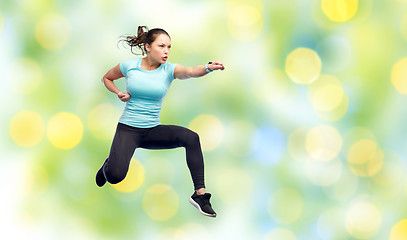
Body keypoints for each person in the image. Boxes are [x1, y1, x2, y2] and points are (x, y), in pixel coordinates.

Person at [95, 26, 225, 218]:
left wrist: (208, 67)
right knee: (115, 176)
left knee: (191, 138)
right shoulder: (128, 66)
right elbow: (107, 78)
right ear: (148, 46)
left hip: (152, 131)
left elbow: (190, 71)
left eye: (169, 47)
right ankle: (110, 164)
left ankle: (200, 195)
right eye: (161, 46)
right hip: (128, 130)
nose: (166, 51)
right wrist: (118, 92)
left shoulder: (169, 70)